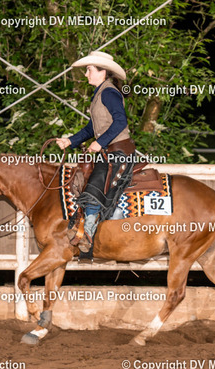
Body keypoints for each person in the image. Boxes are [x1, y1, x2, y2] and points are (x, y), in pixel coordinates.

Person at [56, 51, 135, 262]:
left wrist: (100, 142)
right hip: (110, 152)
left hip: (119, 153)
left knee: (94, 186)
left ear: (102, 72)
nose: (86, 74)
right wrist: (70, 141)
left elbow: (121, 121)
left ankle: (88, 233)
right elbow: (92, 127)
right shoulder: (101, 93)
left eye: (89, 70)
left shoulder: (108, 93)